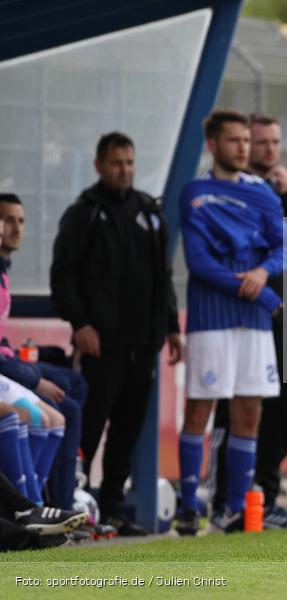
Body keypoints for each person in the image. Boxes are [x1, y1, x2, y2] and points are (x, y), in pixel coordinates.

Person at [50, 132, 182, 535]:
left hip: (143, 343)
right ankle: (74, 505)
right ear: (98, 166)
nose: (124, 170)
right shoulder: (84, 213)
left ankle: (110, 509)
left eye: (129, 162)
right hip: (100, 343)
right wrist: (81, 325)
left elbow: (164, 276)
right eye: (115, 163)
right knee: (89, 427)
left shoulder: (149, 212)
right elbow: (63, 276)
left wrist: (172, 327)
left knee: (127, 429)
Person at [174, 109, 287, 536]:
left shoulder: (263, 193)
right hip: (212, 319)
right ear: (213, 144)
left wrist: (262, 272)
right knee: (201, 409)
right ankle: (189, 506)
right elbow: (200, 261)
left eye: (247, 140)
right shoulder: (195, 193)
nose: (243, 148)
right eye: (234, 141)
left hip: (254, 325)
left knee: (249, 411)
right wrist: (261, 290)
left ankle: (236, 509)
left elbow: (284, 247)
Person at [206, 114, 287, 530]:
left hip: (281, 322)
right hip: (243, 318)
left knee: (279, 417)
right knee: (235, 411)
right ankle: (222, 500)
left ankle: (266, 501)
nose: (270, 150)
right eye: (260, 142)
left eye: (275, 142)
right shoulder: (229, 194)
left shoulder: (278, 192)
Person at [0, 193, 88, 512]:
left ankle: (47, 501)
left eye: (20, 221)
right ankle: (39, 506)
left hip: (6, 361)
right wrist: (33, 379)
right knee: (57, 411)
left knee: (74, 386)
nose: (15, 228)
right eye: (8, 220)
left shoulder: (3, 271)